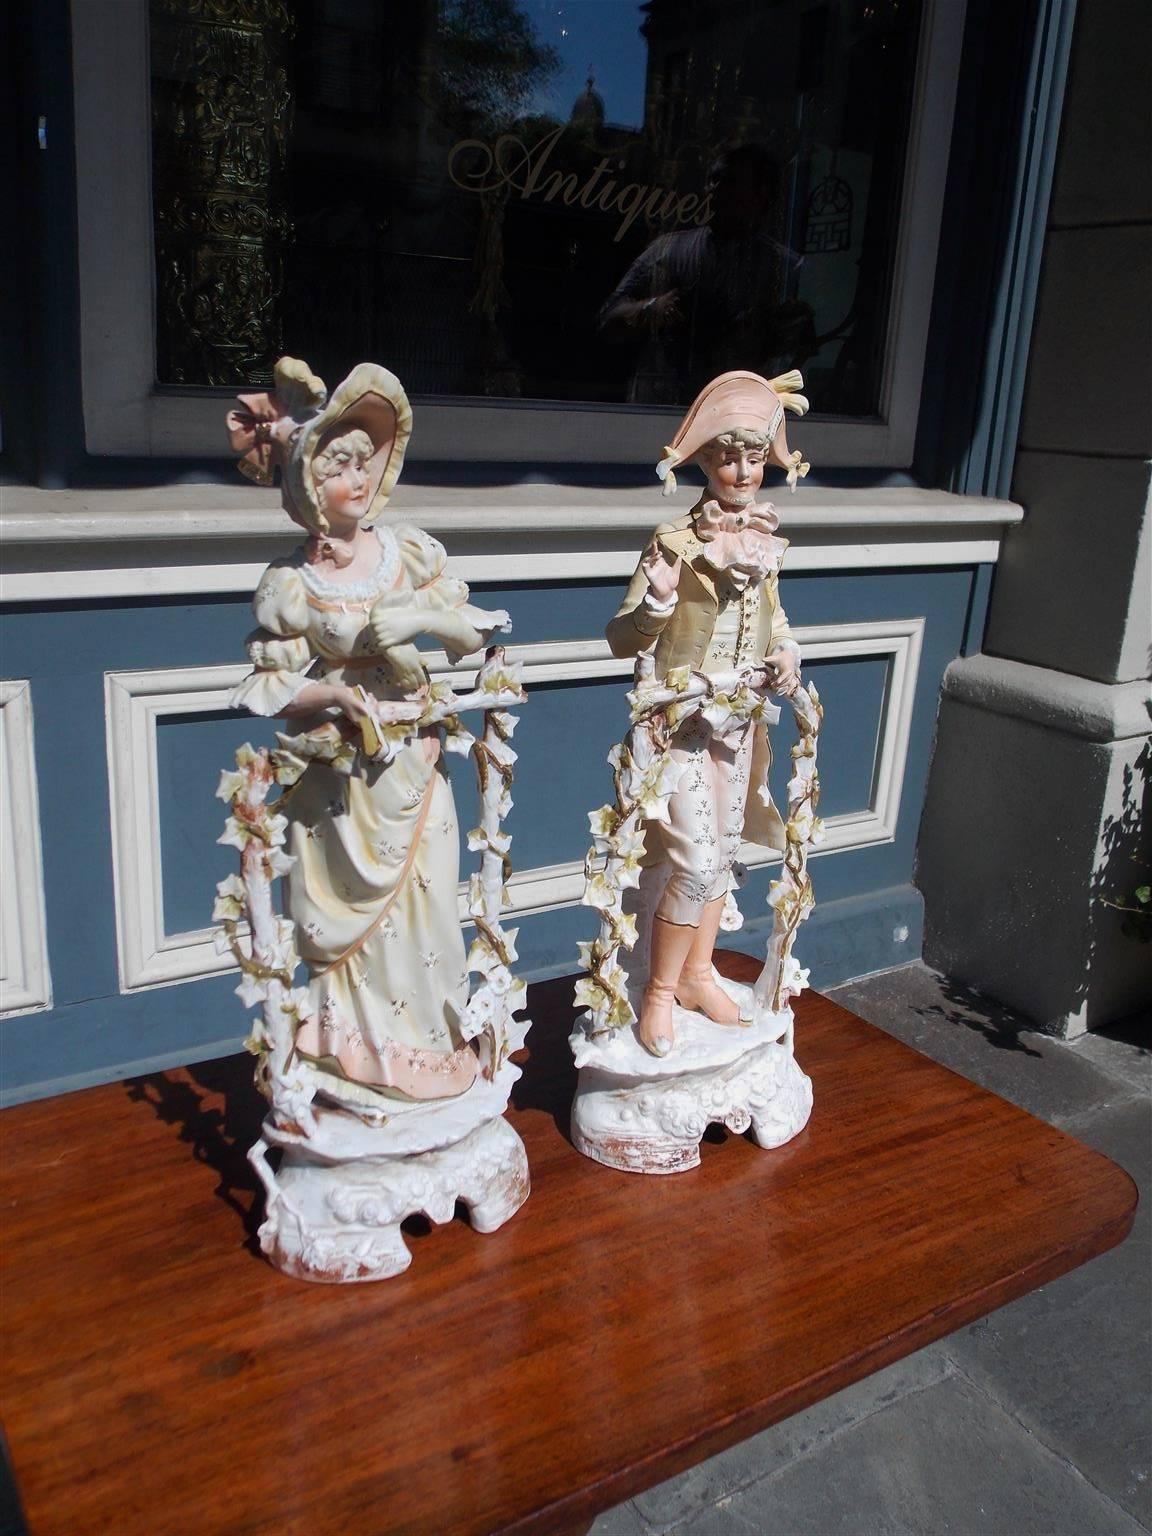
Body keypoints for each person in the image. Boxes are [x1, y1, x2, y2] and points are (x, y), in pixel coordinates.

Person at [227, 359, 509, 1104]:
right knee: (347, 928)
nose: (357, 478)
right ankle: (354, 1049)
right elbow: (265, 685)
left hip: (414, 767)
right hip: (341, 784)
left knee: (431, 906)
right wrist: (332, 696)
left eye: (364, 462)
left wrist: (420, 618)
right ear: (305, 487)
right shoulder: (292, 585)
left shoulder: (408, 552)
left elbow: (478, 629)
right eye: (336, 467)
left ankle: (427, 1047)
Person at [605, 368, 810, 1056]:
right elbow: (621, 637)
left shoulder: (764, 537)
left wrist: (786, 649)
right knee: (694, 861)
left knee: (724, 856)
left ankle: (698, 973)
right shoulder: (673, 541)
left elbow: (774, 615)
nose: (743, 470)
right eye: (728, 455)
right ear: (705, 461)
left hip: (742, 722)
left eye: (755, 456)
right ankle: (659, 995)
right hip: (682, 725)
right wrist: (657, 605)